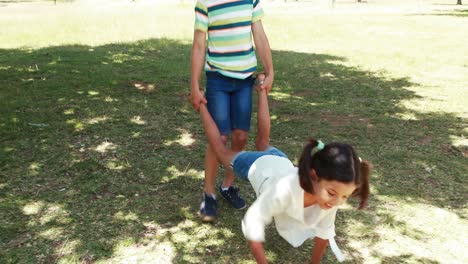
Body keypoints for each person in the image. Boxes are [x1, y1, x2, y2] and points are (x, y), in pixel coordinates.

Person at [198, 74, 371, 263]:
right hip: (259, 165)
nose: (338, 201)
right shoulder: (282, 192)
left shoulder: (330, 193)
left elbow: (324, 234)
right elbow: (253, 223)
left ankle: (262, 90)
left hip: (282, 163)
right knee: (222, 151)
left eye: (345, 196)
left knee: (263, 141)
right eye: (333, 193)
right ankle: (201, 104)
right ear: (314, 176)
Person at [190, 0, 274, 222]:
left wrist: (270, 70)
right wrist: (194, 84)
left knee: (241, 136)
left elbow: (260, 36)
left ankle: (228, 185)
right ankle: (208, 194)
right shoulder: (205, 3)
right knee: (219, 137)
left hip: (245, 79)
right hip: (218, 78)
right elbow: (199, 45)